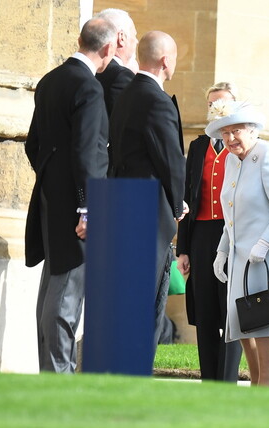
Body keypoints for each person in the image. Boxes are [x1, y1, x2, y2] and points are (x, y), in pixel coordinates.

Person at [24, 17, 117, 373]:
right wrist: (87, 207)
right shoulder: (89, 88)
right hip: (78, 207)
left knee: (53, 286)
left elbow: (34, 146)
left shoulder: (50, 80)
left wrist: (55, 184)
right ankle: (57, 379)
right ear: (108, 49)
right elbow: (87, 154)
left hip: (50, 198)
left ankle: (50, 376)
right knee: (65, 294)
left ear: (80, 40)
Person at [206, 101, 269, 387]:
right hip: (238, 253)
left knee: (262, 316)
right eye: (225, 133)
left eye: (236, 131)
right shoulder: (232, 160)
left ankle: (267, 382)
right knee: (240, 316)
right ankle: (256, 380)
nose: (230, 138)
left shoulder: (268, 155)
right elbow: (230, 211)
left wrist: (265, 243)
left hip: (265, 253)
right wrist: (222, 250)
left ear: (252, 130)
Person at [109, 31, 187, 358]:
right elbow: (170, 158)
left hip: (121, 202)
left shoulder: (125, 94)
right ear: (165, 60)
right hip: (147, 210)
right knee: (148, 297)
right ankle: (137, 364)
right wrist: (178, 200)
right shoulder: (156, 100)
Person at [176, 82, 243, 381]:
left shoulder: (242, 145)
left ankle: (226, 379)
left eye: (222, 104)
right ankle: (209, 380)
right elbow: (189, 195)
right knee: (204, 310)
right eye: (212, 105)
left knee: (229, 307)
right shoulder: (198, 145)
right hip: (202, 233)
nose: (216, 110)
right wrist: (183, 248)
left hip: (232, 234)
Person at [94, 8, 139, 118]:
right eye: (134, 35)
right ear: (121, 38)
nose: (137, 41)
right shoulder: (121, 76)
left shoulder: (89, 67)